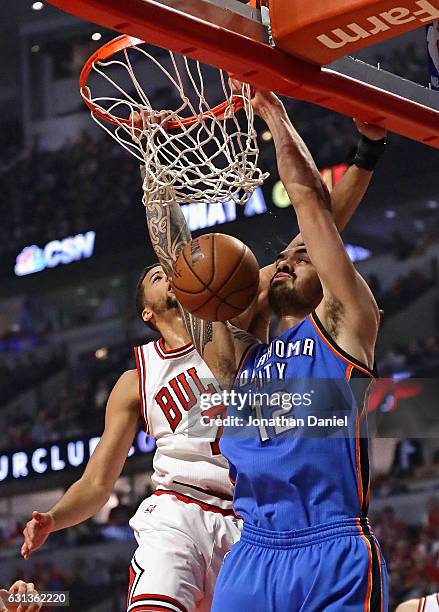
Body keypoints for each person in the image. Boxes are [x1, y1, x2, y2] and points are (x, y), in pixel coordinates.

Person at [21, 100, 383, 612]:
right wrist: (154, 176)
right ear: (146, 310)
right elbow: (100, 481)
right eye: (156, 276)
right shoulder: (166, 364)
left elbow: (319, 231)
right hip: (187, 513)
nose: (167, 274)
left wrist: (366, 154)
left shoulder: (245, 316)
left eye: (170, 270)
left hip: (251, 518)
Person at [159, 86, 387, 611]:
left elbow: (311, 207)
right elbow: (207, 277)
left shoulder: (345, 325)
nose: (284, 262)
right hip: (252, 553)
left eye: (303, 258)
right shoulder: (241, 351)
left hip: (332, 548)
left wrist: (274, 114)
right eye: (280, 258)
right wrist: (163, 156)